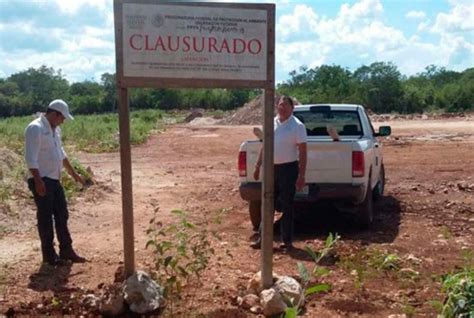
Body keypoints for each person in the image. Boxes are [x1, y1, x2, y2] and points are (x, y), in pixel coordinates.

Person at [25, 99, 87, 266]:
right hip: (41, 179)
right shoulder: (35, 128)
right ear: (54, 114)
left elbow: (61, 154)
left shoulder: (55, 130)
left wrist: (74, 174)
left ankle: (66, 250)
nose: (63, 121)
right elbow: (30, 158)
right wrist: (38, 181)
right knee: (45, 218)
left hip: (54, 179)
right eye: (62, 118)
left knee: (62, 214)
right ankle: (49, 256)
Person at [251, 95, 307, 250]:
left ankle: (287, 241)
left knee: (287, 205)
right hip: (271, 169)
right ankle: (262, 239)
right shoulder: (271, 123)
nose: (282, 108)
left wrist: (302, 175)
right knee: (267, 202)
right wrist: (258, 166)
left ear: (292, 107)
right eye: (280, 105)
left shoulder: (297, 126)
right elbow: (265, 145)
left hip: (289, 169)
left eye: (285, 105)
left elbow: (303, 152)